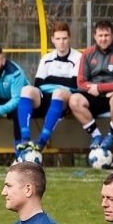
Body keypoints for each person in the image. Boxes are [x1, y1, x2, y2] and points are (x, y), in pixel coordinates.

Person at [24, 22, 83, 161]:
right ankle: (24, 140)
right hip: (46, 98)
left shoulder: (78, 57)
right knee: (27, 91)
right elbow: (38, 84)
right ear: (52, 40)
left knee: (58, 93)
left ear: (69, 39)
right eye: (58, 39)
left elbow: (74, 83)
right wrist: (59, 82)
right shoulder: (47, 58)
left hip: (66, 99)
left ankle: (42, 140)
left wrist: (50, 80)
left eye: (64, 39)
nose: (61, 42)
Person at [70, 20, 113, 155]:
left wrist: (101, 88)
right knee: (74, 100)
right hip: (94, 95)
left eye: (107, 35)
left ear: (112, 35)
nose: (103, 39)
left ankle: (112, 136)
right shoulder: (88, 53)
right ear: (95, 36)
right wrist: (93, 88)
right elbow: (81, 81)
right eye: (100, 35)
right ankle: (96, 136)